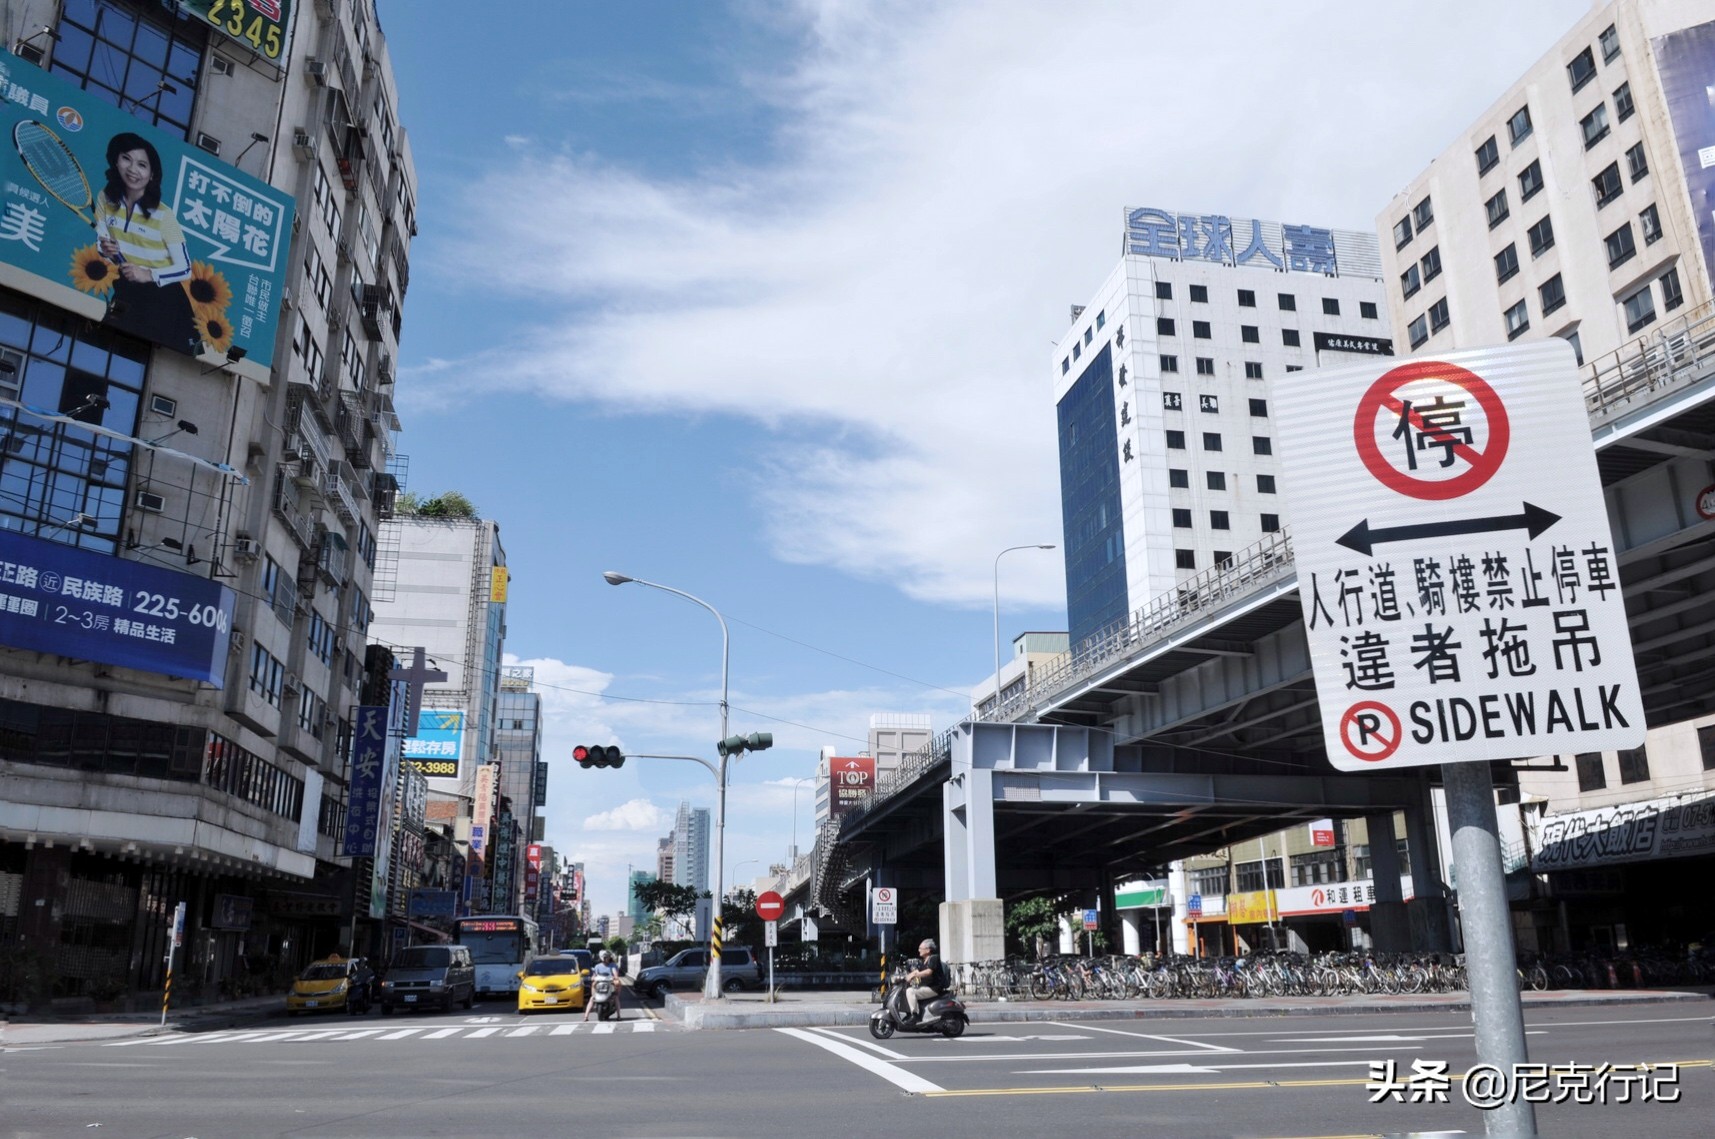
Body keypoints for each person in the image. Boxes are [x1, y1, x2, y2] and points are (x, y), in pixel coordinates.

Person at [93, 132, 199, 354]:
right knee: (101, 344)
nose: (132, 169)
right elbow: (102, 239)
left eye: (142, 165)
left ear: (152, 174)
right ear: (116, 161)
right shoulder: (105, 198)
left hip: (165, 300)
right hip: (125, 290)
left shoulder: (164, 215)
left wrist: (147, 274)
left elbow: (185, 268)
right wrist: (104, 250)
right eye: (126, 159)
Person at [904, 938, 948, 1021]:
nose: (919, 950)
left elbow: (928, 972)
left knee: (910, 991)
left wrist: (915, 974)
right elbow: (918, 974)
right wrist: (908, 978)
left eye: (921, 948)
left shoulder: (934, 958)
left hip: (934, 988)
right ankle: (909, 1013)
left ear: (928, 950)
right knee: (907, 989)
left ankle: (915, 1015)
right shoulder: (924, 961)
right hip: (927, 986)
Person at [582, 949, 620, 1022]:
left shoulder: (612, 965)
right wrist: (593, 978)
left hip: (609, 983)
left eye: (608, 957)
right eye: (605, 957)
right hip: (599, 984)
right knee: (592, 998)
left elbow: (615, 973)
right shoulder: (597, 966)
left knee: (615, 997)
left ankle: (618, 1015)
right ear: (602, 958)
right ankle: (586, 1016)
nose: (607, 959)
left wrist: (615, 978)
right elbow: (594, 975)